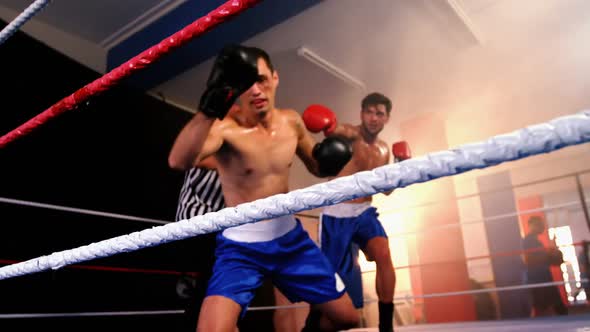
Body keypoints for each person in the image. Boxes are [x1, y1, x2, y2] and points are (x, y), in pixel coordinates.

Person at [168, 44, 359, 332]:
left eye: (261, 79)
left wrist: (335, 155)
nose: (255, 90)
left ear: (275, 77)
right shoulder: (225, 128)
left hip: (289, 239)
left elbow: (317, 167)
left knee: (347, 318)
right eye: (246, 83)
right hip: (241, 245)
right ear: (234, 88)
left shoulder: (291, 121)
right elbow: (178, 161)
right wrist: (207, 110)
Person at [302, 93, 411, 332]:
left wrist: (400, 168)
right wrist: (328, 126)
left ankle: (386, 325)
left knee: (383, 254)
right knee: (331, 282)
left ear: (387, 118)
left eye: (379, 113)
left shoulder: (383, 150)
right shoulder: (351, 134)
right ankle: (312, 324)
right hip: (337, 214)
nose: (373, 118)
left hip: (364, 212)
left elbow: (387, 190)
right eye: (369, 112)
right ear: (362, 113)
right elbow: (334, 131)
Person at [522, 216, 568, 317]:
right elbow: (540, 259)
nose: (542, 226)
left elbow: (552, 261)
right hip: (538, 279)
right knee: (547, 308)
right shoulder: (528, 241)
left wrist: (553, 250)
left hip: (543, 278)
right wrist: (551, 251)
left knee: (555, 307)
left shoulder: (535, 241)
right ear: (531, 225)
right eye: (539, 224)